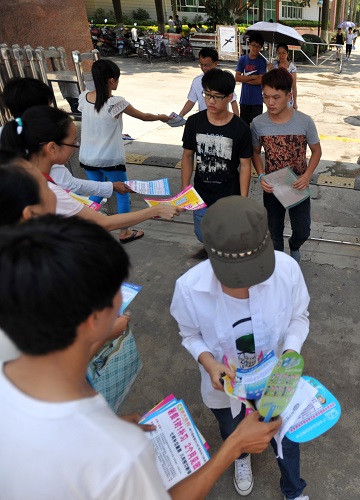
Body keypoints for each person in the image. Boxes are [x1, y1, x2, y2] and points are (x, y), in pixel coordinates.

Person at [0, 214, 281, 499]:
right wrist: (233, 447)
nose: (123, 301)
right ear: (93, 319)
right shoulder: (123, 454)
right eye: (118, 292)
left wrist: (113, 424)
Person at [171, 196, 310, 500]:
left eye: (254, 273)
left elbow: (299, 317)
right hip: (225, 389)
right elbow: (189, 334)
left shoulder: (286, 271)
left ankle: (293, 489)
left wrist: (290, 352)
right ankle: (241, 458)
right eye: (234, 277)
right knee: (232, 430)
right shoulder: (189, 288)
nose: (246, 284)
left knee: (286, 438)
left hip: (276, 381)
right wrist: (208, 362)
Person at [1, 106, 181, 235]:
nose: (76, 147)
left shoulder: (18, 173)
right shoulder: (45, 191)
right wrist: (155, 210)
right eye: (73, 143)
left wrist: (111, 187)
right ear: (52, 148)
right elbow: (104, 223)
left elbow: (71, 184)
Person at [78, 59, 170, 243]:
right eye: (117, 78)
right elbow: (144, 116)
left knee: (96, 191)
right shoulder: (116, 103)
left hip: (87, 158)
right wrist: (162, 117)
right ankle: (124, 232)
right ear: (111, 80)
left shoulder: (83, 98)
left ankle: (84, 226)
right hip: (109, 160)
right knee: (123, 194)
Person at [1, 76, 135, 202]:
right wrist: (111, 187)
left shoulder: (7, 131)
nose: (75, 148)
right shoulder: (43, 141)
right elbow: (69, 184)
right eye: (72, 143)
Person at [251, 68, 322, 263]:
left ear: (289, 95)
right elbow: (255, 153)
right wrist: (261, 175)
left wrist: (307, 176)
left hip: (298, 185)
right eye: (266, 97)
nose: (270, 103)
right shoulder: (258, 123)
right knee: (274, 232)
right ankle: (281, 265)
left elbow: (317, 151)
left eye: (276, 97)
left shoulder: (305, 122)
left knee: (302, 230)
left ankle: (295, 245)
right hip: (272, 187)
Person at [181, 68, 252, 243]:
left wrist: (243, 200)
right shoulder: (194, 122)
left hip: (229, 197)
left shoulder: (241, 128)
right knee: (202, 236)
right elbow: (188, 156)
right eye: (207, 95)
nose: (210, 101)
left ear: (229, 97)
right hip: (201, 196)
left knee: (227, 241)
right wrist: (185, 189)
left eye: (217, 96)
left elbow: (245, 165)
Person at [179, 48, 240, 117]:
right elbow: (191, 101)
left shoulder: (223, 80)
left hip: (221, 119)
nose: (204, 68)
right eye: (201, 65)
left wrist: (237, 120)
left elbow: (233, 101)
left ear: (215, 63)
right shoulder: (197, 81)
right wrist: (181, 115)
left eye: (207, 65)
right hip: (204, 120)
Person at [235, 33, 267, 125]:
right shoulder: (242, 59)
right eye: (253, 45)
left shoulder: (262, 61)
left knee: (255, 127)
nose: (255, 48)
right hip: (244, 99)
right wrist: (252, 77)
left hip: (257, 101)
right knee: (244, 126)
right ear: (249, 44)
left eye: (258, 46)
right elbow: (237, 77)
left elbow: (260, 80)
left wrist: (244, 79)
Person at [268, 43, 298, 109]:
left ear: (287, 53)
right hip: (274, 97)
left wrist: (295, 103)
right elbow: (269, 82)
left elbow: (294, 87)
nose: (281, 55)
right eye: (279, 53)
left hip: (287, 98)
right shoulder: (274, 65)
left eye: (283, 53)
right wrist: (269, 70)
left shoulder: (292, 68)